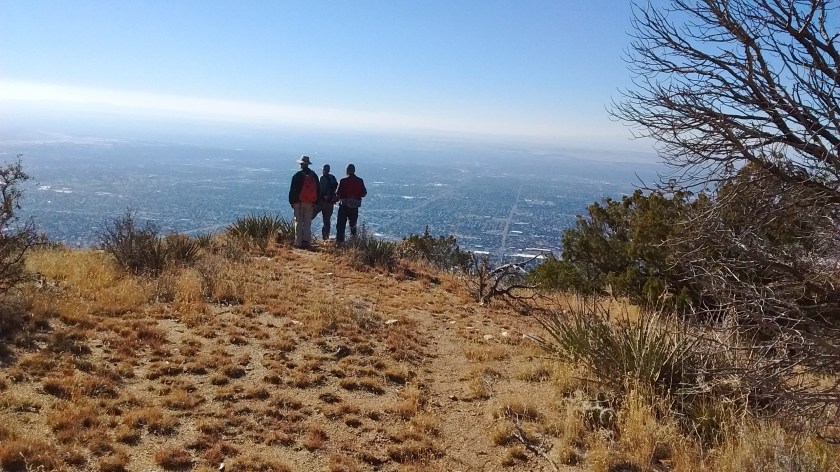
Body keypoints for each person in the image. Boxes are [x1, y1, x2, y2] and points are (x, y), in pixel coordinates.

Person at [288, 155, 320, 249]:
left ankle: (298, 242)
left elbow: (292, 190)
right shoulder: (313, 175)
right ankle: (306, 241)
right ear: (308, 164)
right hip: (310, 202)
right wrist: (316, 202)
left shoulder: (297, 176)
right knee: (307, 222)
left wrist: (292, 202)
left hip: (298, 202)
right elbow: (318, 189)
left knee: (298, 221)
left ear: (301, 164)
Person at [335, 163, 367, 244]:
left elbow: (338, 193)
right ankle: (353, 242)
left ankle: (340, 242)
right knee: (353, 225)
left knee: (341, 225)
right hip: (354, 207)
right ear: (354, 171)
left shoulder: (343, 181)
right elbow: (364, 193)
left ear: (347, 171)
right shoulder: (360, 181)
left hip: (344, 206)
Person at [312, 164, 339, 240]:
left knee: (310, 216)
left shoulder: (322, 178)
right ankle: (325, 237)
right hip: (330, 203)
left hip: (321, 202)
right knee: (327, 220)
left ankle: (304, 232)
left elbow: (320, 190)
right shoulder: (332, 177)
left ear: (323, 170)